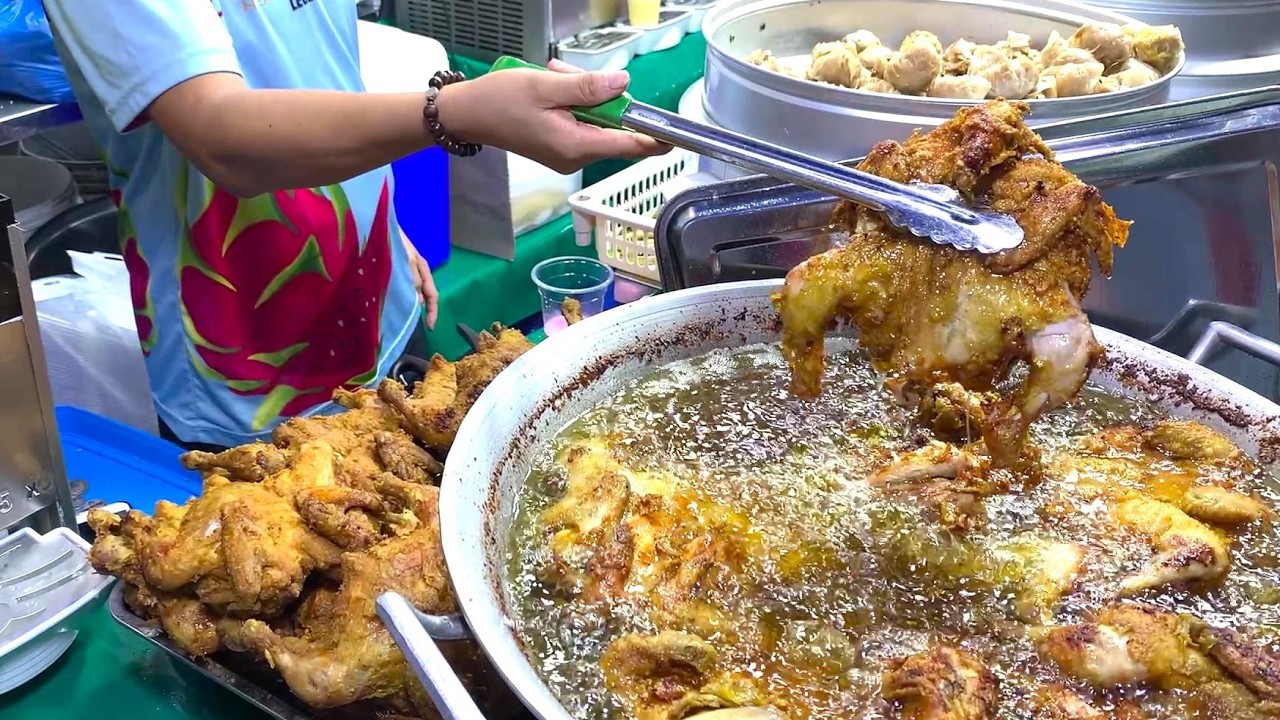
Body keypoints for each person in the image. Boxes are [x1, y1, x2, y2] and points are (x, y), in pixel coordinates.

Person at [41, 0, 665, 451]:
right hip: (248, 365)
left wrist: (380, 216)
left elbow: (316, 68)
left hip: (374, 293)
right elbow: (220, 134)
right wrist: (459, 112)